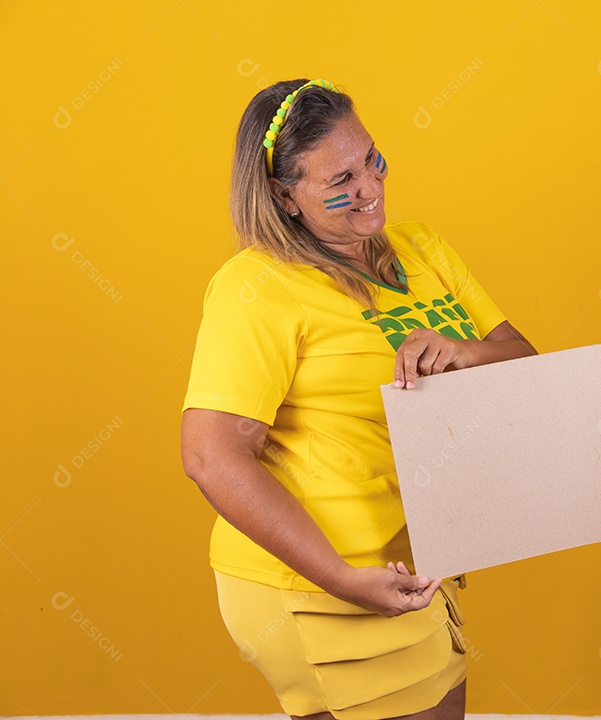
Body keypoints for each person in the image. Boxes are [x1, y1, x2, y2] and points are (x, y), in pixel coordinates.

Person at [180, 78, 535, 720]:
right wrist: (341, 579)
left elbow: (527, 369)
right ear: (285, 197)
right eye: (339, 179)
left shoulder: (422, 248)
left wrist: (464, 352)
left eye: (372, 159)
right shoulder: (255, 287)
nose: (370, 188)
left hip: (412, 562)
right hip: (318, 581)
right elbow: (212, 456)